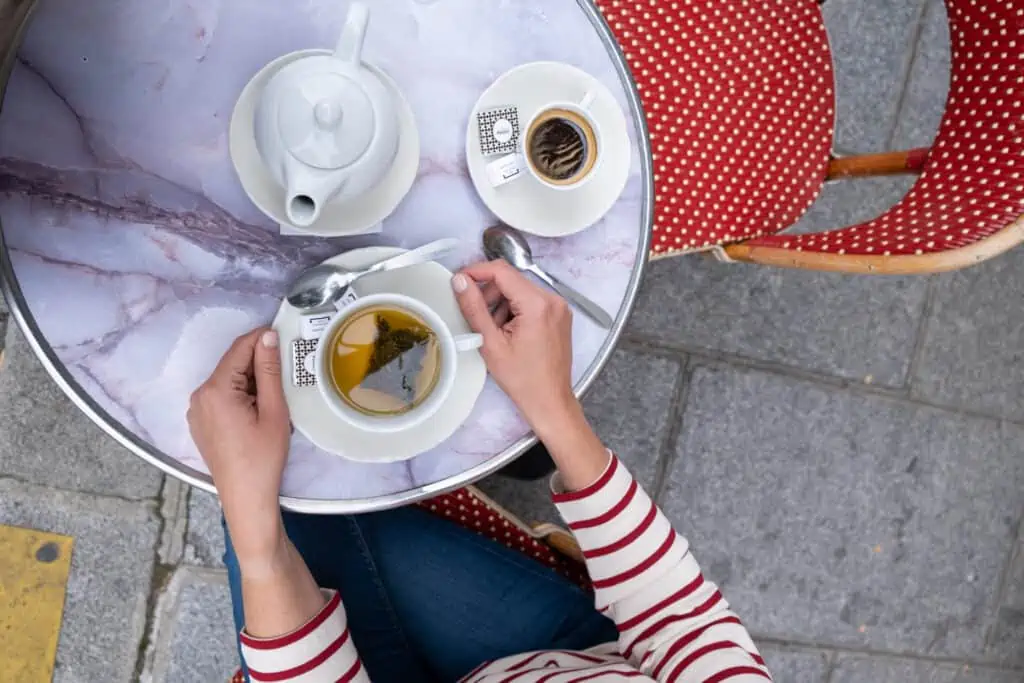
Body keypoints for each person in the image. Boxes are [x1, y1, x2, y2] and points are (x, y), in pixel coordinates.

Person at [188, 259, 772, 683]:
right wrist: (554, 408)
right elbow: (679, 620)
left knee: (282, 487)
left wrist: (256, 536)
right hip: (550, 657)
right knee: (304, 475)